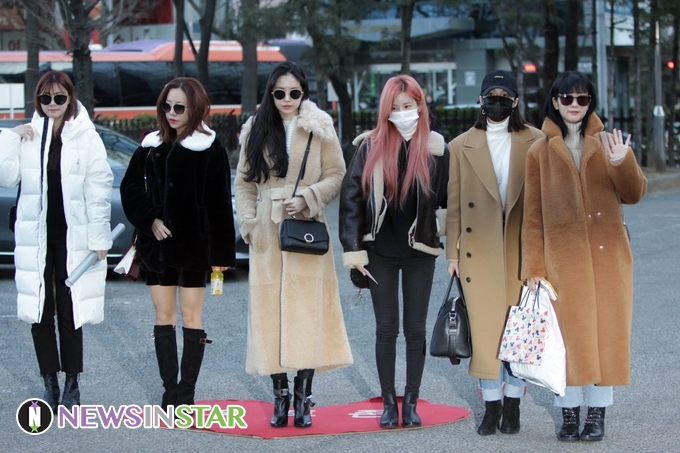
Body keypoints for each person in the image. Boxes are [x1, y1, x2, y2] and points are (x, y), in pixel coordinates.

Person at [522, 71, 647, 441]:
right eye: (567, 98)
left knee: (606, 336)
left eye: (582, 99)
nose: (574, 105)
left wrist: (623, 161)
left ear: (590, 103)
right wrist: (533, 266)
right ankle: (569, 413)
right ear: (555, 102)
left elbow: (634, 193)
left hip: (609, 259)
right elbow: (532, 217)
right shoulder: (539, 152)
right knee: (568, 339)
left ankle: (596, 413)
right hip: (563, 262)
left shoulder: (608, 144)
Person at [235, 61, 353, 428]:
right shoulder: (255, 128)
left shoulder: (319, 126)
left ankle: (303, 396)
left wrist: (308, 197)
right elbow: (244, 183)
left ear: (304, 92)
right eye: (280, 93)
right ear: (270, 93)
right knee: (270, 313)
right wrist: (250, 224)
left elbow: (337, 174)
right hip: (267, 233)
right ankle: (280, 396)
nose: (287, 99)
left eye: (294, 92)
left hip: (306, 229)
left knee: (306, 313)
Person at [339, 74, 449, 429]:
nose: (403, 113)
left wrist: (444, 235)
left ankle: (411, 400)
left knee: (415, 330)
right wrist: (354, 251)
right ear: (385, 111)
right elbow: (351, 200)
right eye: (395, 107)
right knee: (386, 329)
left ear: (420, 106)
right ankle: (389, 401)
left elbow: (447, 199)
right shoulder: (369, 147)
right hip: (379, 253)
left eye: (408, 105)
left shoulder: (435, 149)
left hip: (420, 252)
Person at [0, 71, 113, 412]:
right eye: (46, 98)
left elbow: (99, 188)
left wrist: (99, 238)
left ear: (70, 98)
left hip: (72, 236)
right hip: (36, 237)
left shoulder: (86, 136)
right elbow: (6, 177)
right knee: (39, 310)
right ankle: (49, 381)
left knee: (70, 308)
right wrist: (10, 136)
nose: (53, 104)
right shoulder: (29, 135)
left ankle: (72, 384)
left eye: (60, 98)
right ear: (38, 100)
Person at [120, 77, 235, 409]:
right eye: (166, 105)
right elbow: (130, 189)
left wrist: (221, 255)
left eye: (179, 107)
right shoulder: (150, 146)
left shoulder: (210, 148)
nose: (171, 112)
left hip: (195, 249)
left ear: (195, 108)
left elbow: (219, 204)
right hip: (156, 248)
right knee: (163, 315)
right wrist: (150, 219)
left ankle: (186, 394)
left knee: (191, 316)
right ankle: (169, 391)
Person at [446, 69, 544, 435]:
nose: (497, 102)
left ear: (516, 101)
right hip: (479, 250)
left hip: (521, 247)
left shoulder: (536, 140)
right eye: (491, 96)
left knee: (518, 329)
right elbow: (455, 205)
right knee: (486, 333)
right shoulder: (460, 146)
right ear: (481, 100)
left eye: (504, 97)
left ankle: (513, 405)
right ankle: (491, 405)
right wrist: (452, 254)